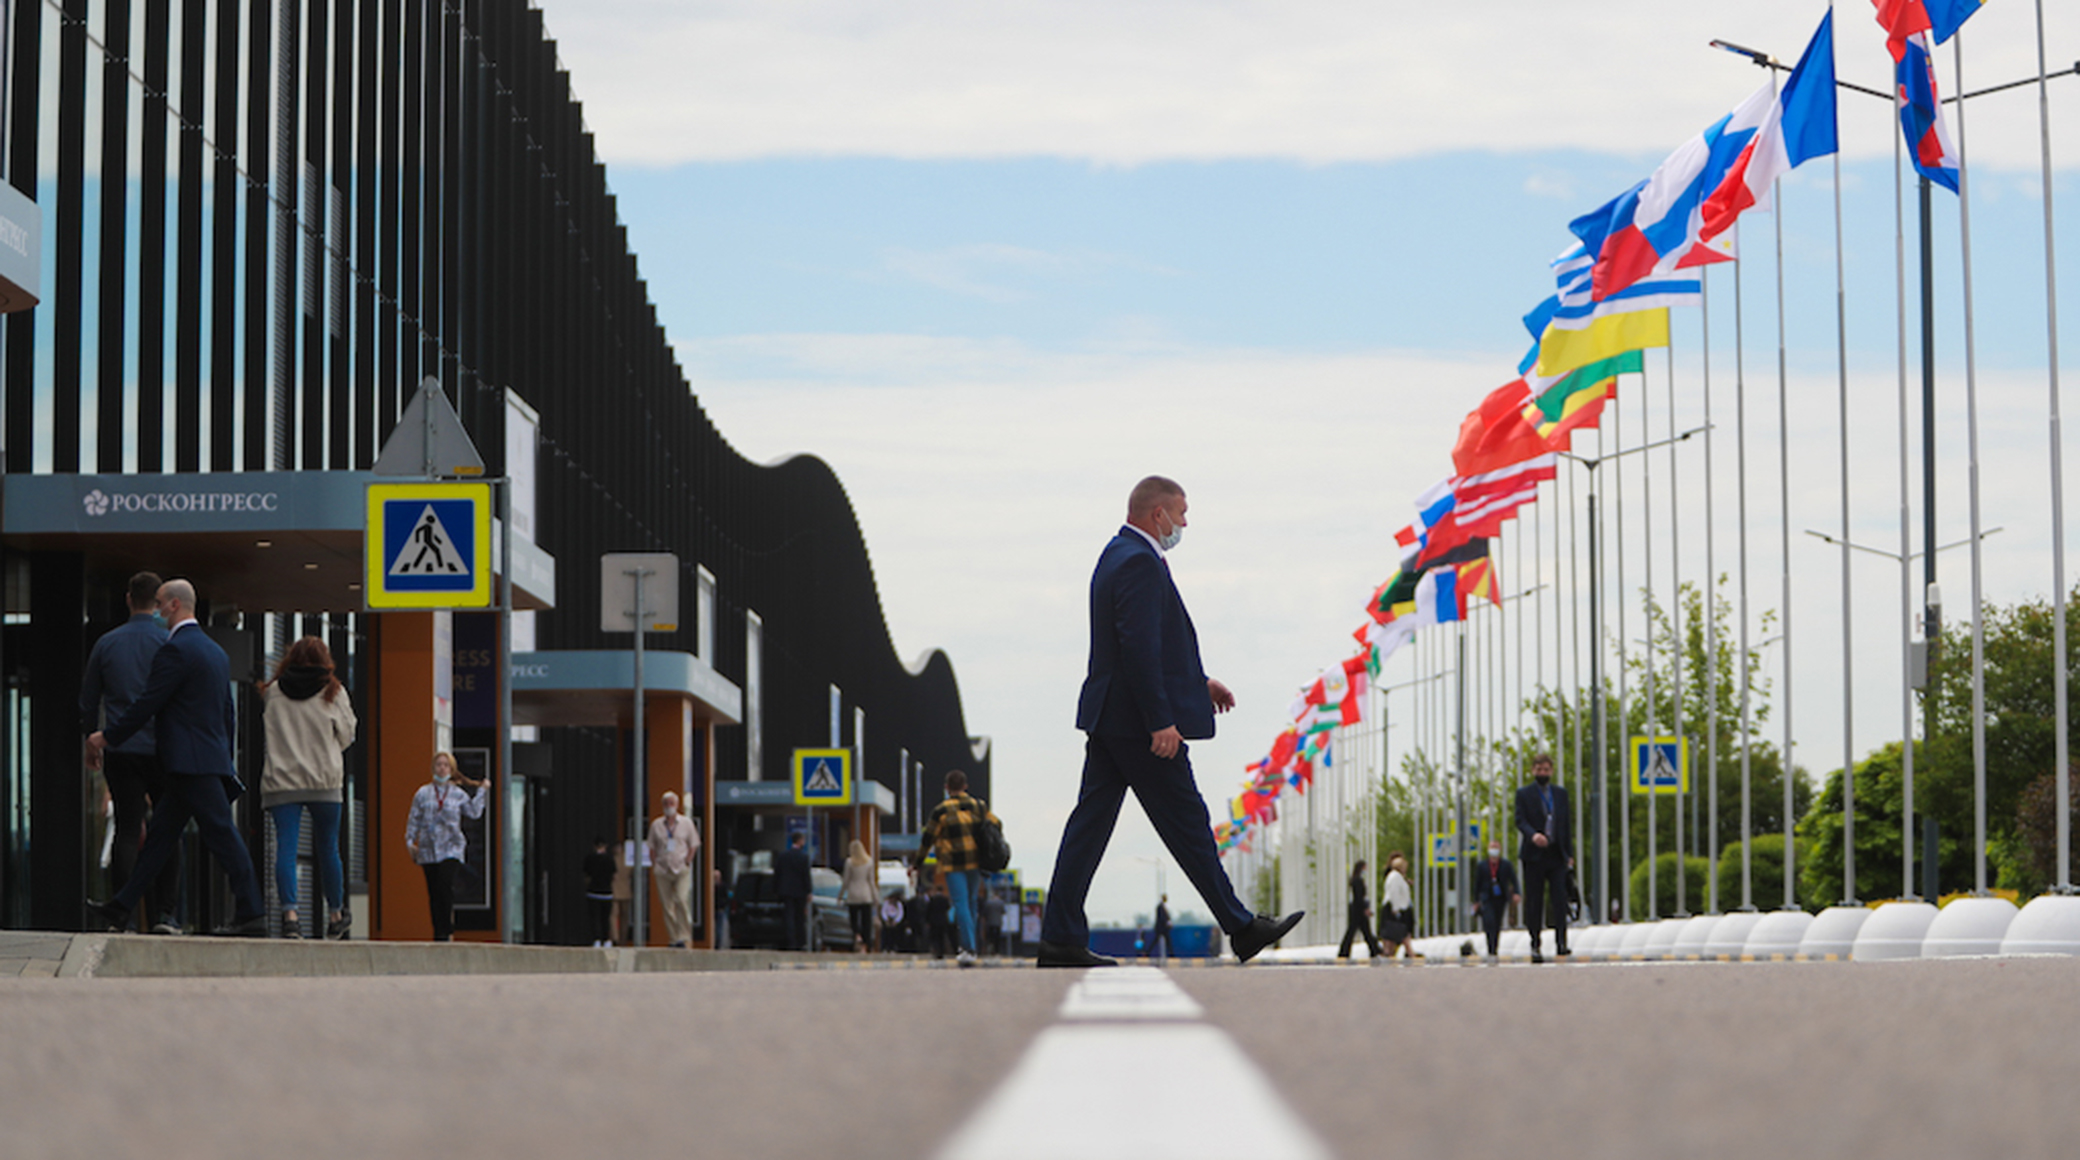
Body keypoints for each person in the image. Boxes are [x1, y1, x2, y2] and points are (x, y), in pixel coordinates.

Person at [1039, 476, 1303, 967]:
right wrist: (1161, 720)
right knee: (1187, 821)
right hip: (1137, 723)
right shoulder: (1139, 561)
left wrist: (1197, 684)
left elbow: (1143, 642)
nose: (1185, 523)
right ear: (1156, 513)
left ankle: (1059, 938)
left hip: (1111, 715)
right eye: (1181, 513)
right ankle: (1241, 927)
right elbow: (1138, 647)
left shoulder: (1116, 554)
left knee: (1089, 826)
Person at [86, 579, 266, 937]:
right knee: (159, 840)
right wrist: (224, 759)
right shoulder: (215, 652)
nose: (154, 610)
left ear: (172, 606)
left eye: (158, 603)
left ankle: (252, 914)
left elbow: (148, 703)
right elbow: (227, 713)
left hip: (189, 763)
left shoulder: (176, 650)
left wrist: (107, 736)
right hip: (202, 760)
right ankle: (120, 909)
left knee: (223, 835)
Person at [79, 571, 181, 934]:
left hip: (120, 749)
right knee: (166, 830)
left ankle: (120, 915)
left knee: (126, 828)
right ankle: (165, 914)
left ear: (127, 599)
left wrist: (91, 741)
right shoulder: (168, 642)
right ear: (157, 602)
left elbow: (89, 700)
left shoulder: (107, 644)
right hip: (163, 750)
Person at [259, 635, 358, 939]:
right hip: (324, 780)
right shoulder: (334, 690)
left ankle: (290, 916)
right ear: (324, 660)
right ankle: (335, 914)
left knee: (286, 848)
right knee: (328, 848)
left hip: (282, 781)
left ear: (292, 657)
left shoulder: (273, 691)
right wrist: (327, 749)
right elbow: (348, 733)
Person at [918, 769, 999, 966]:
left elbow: (927, 838)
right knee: (971, 903)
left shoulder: (941, 811)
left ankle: (969, 948)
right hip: (976, 862)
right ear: (965, 786)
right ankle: (970, 946)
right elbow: (996, 824)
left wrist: (916, 863)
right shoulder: (979, 806)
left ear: (947, 788)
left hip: (953, 864)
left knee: (960, 903)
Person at [404, 751, 488, 941]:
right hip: (428, 849)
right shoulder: (423, 793)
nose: (442, 768)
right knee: (433, 891)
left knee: (444, 884)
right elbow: (413, 819)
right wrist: (410, 842)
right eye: (439, 765)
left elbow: (474, 812)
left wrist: (482, 791)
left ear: (451, 770)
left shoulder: (458, 794)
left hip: (451, 847)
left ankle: (446, 927)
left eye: (446, 765)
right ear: (433, 768)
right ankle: (439, 932)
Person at [1514, 753, 1574, 963]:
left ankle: (1561, 943)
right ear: (1533, 771)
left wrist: (1569, 854)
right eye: (1539, 770)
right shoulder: (1524, 794)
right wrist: (1533, 835)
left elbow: (1565, 824)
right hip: (1534, 855)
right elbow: (1519, 820)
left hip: (1556, 853)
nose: (1543, 773)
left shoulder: (1560, 794)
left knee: (1559, 899)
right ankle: (1535, 944)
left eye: (1546, 770)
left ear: (1551, 771)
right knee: (1535, 901)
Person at [647, 791, 702, 948]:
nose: (669, 807)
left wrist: (688, 860)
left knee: (681, 899)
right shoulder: (656, 824)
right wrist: (654, 864)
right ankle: (674, 938)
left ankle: (684, 935)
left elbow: (694, 843)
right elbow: (651, 846)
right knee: (666, 905)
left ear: (677, 805)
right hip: (663, 869)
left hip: (681, 868)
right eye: (666, 804)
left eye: (671, 803)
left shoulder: (686, 823)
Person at [1472, 842, 1521, 960]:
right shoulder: (1482, 866)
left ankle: (1494, 949)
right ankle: (1490, 948)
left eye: (1496, 848)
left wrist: (1517, 893)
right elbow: (1477, 884)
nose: (1494, 851)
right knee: (1489, 921)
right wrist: (1476, 901)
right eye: (1492, 848)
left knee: (1497, 923)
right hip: (1486, 898)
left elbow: (1513, 880)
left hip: (1500, 898)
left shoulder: (1506, 865)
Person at [1337, 859, 1385, 961]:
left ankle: (1373, 950)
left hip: (1356, 908)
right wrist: (1365, 908)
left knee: (1363, 931)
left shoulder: (1355, 879)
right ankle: (1373, 950)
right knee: (1357, 931)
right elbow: (1360, 897)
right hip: (1358, 910)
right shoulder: (1358, 880)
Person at [775, 832, 812, 951]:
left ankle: (789, 941)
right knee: (799, 917)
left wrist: (776, 889)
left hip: (786, 891)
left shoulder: (783, 856)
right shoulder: (803, 857)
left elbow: (777, 874)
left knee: (788, 916)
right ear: (800, 841)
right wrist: (809, 891)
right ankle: (799, 942)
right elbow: (806, 876)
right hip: (800, 892)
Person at [1379, 852, 1420, 960]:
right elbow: (1394, 893)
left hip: (1397, 907)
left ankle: (1394, 952)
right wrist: (1396, 909)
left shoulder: (1398, 877)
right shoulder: (1395, 877)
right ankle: (1407, 952)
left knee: (1397, 932)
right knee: (1397, 931)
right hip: (1395, 908)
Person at [842, 839, 878, 952]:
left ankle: (857, 935)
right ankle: (867, 945)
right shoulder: (869, 862)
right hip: (866, 894)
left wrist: (841, 895)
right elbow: (871, 881)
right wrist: (875, 896)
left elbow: (846, 881)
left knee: (853, 919)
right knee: (866, 921)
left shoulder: (849, 862)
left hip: (853, 894)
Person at [583, 837, 615, 947]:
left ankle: (596, 939)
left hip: (593, 891)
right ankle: (606, 939)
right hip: (606, 892)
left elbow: (586, 875)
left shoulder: (589, 859)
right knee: (605, 917)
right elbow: (613, 875)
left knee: (595, 917)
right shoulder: (610, 859)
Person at [1151, 894, 1172, 964]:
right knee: (1157, 941)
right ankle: (1172, 955)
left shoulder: (1162, 907)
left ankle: (1172, 954)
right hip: (1161, 928)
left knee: (1166, 941)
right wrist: (1167, 922)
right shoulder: (1160, 907)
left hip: (1163, 928)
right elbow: (1162, 918)